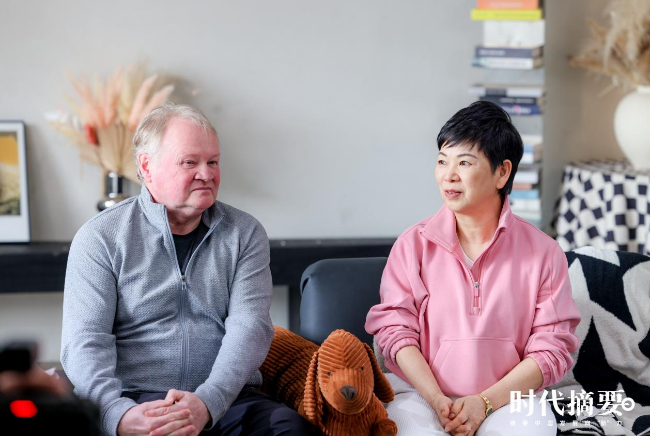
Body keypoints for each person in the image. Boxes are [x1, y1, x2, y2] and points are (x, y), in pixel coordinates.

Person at [61, 103, 315, 436]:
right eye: (190, 162)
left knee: (290, 428)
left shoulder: (244, 233)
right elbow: (85, 342)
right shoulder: (100, 237)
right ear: (147, 166)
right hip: (135, 400)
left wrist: (208, 402)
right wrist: (116, 414)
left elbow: (250, 327)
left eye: (213, 162)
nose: (206, 174)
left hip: (226, 398)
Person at [365, 101, 581, 436]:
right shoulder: (412, 245)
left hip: (509, 399)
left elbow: (552, 349)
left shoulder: (544, 253)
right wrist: (436, 398)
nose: (448, 175)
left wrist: (485, 402)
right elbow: (395, 332)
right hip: (421, 394)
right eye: (442, 161)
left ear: (502, 172)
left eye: (464, 162)